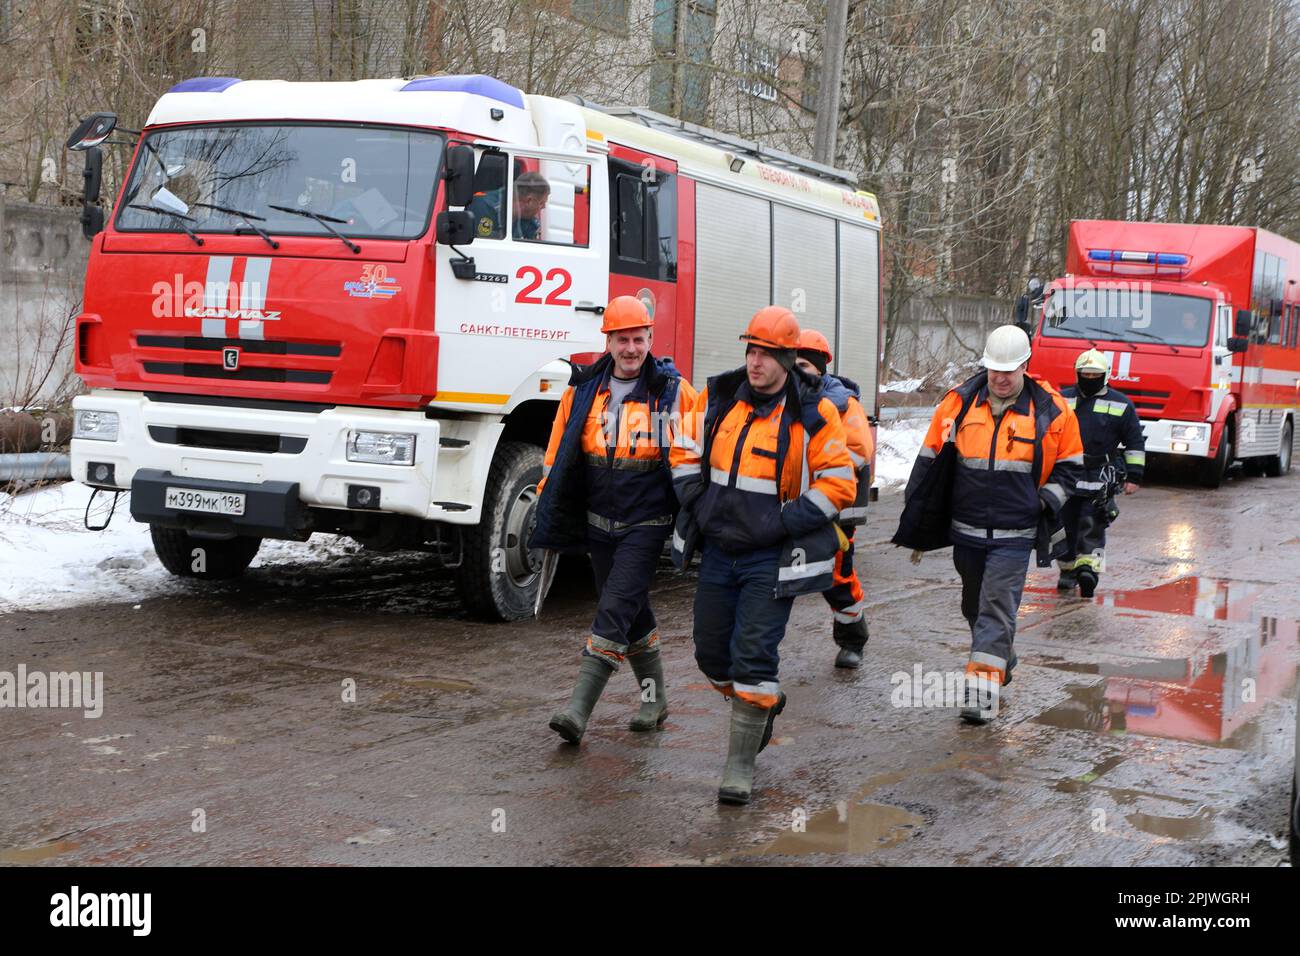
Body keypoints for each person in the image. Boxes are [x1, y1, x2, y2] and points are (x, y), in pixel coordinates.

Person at [671, 306, 856, 804]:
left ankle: (739, 765)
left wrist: (786, 521)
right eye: (751, 350)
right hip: (717, 552)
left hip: (768, 560)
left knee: (753, 656)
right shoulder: (718, 398)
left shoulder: (814, 414)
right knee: (711, 655)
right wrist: (696, 500)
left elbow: (839, 482)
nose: (755, 362)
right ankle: (761, 706)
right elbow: (684, 447)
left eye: (766, 354)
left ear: (788, 359)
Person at [530, 296, 697, 744]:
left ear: (650, 339)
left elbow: (697, 452)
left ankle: (577, 710)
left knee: (613, 609)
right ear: (608, 340)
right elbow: (557, 454)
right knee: (631, 609)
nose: (631, 348)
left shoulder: (673, 391)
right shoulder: (583, 389)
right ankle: (654, 698)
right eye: (622, 339)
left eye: (638, 339)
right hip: (597, 522)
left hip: (647, 521)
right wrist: (547, 503)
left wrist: (700, 511)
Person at [899, 325, 1084, 724]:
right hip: (966, 531)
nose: (1000, 378)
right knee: (974, 607)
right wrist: (917, 508)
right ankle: (1003, 655)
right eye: (994, 369)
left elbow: (1070, 468)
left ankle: (980, 695)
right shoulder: (958, 404)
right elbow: (929, 460)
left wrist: (1043, 502)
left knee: (996, 609)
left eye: (1010, 370)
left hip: (1014, 536)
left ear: (1025, 366)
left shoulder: (1052, 410)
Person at [793, 329, 876, 668]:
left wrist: (820, 469)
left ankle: (853, 637)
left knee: (836, 577)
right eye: (793, 363)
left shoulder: (843, 404)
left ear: (820, 368)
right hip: (790, 507)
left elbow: (858, 451)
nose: (798, 370)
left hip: (833, 511)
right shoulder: (780, 399)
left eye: (804, 364)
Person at [1057, 348, 1145, 598]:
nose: (1089, 378)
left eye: (1094, 374)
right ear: (1077, 374)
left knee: (1093, 525)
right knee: (1063, 527)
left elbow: (1135, 442)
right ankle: (1066, 571)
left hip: (1099, 477)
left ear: (1105, 375)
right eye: (1085, 374)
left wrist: (1134, 476)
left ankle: (1089, 573)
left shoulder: (1121, 404)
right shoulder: (1061, 400)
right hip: (1066, 475)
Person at [467, 170, 550, 240]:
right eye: (541, 203)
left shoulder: (530, 223)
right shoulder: (482, 206)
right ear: (529, 201)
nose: (543, 207)